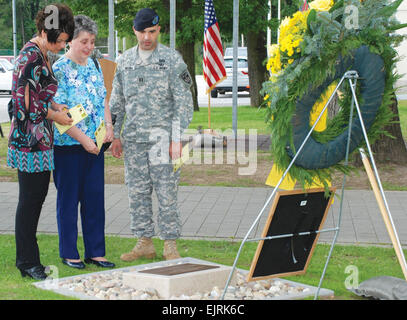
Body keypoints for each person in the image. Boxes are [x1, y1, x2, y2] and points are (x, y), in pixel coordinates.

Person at [110, 8, 193, 261]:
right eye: (142, 31)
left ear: (159, 30)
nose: (147, 37)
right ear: (134, 31)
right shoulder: (124, 61)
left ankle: (170, 244)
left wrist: (177, 138)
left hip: (163, 141)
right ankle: (144, 242)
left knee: (167, 193)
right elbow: (117, 101)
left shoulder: (172, 59)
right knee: (137, 192)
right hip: (134, 140)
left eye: (152, 31)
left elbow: (184, 103)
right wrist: (115, 134)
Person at [7, 3, 75, 280]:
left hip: (41, 139)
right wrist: (55, 116)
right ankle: (26, 262)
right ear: (49, 32)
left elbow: (39, 94)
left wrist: (55, 105)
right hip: (29, 142)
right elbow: (23, 106)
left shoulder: (42, 54)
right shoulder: (30, 56)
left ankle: (30, 259)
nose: (63, 46)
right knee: (30, 201)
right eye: (61, 41)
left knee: (36, 199)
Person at [52, 15, 115, 269]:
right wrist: (85, 140)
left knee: (94, 198)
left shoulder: (96, 66)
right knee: (69, 200)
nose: (89, 47)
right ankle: (69, 252)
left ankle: (96, 252)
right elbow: (60, 116)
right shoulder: (59, 69)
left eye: (92, 41)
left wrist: (109, 127)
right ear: (69, 41)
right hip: (69, 146)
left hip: (96, 145)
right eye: (83, 41)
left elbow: (104, 100)